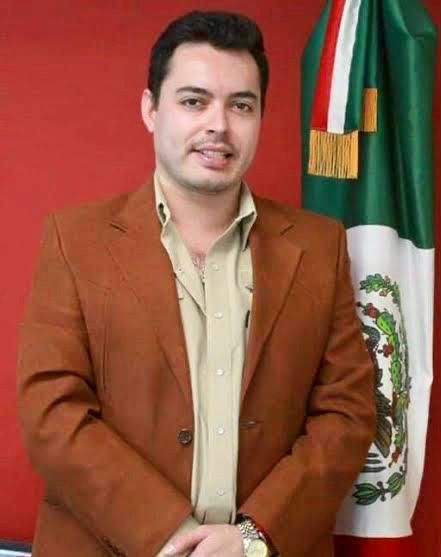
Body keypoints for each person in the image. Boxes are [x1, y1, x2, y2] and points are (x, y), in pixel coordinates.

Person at [17, 11, 376, 557]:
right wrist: (167, 533)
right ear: (151, 109)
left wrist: (253, 537)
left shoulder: (320, 247)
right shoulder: (76, 241)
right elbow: (51, 412)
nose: (219, 126)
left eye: (241, 105)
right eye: (193, 101)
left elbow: (346, 415)